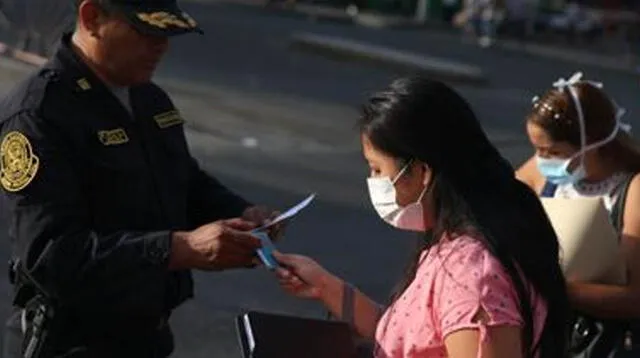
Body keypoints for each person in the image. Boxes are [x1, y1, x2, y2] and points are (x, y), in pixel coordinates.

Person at [0, 0, 281, 357]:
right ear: (92, 17)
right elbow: (52, 256)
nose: (161, 45)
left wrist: (243, 213)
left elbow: (183, 180)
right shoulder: (39, 114)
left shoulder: (149, 99)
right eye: (146, 31)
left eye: (167, 33)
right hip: (72, 343)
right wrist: (180, 248)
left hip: (148, 337)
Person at [273, 77, 569, 357]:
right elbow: (410, 336)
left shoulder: (472, 277)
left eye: (377, 169)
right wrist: (324, 286)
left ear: (422, 172)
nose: (372, 180)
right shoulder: (457, 246)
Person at [516, 72, 640, 356]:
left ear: (594, 143)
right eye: (538, 150)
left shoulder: (633, 190)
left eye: (553, 151)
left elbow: (635, 298)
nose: (543, 160)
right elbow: (497, 209)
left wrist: (553, 289)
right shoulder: (539, 171)